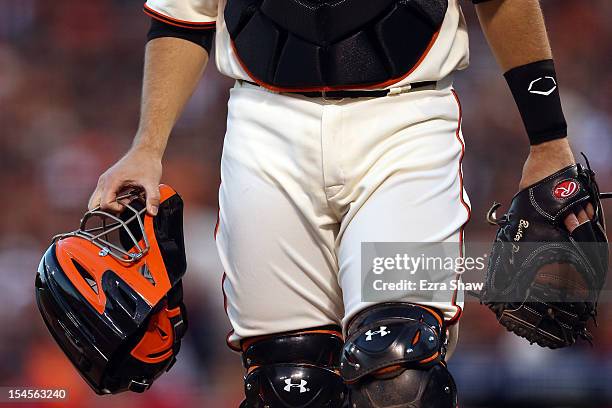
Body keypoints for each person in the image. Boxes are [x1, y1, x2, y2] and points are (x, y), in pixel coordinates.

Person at [88, 0, 593, 406]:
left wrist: (548, 138)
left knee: (399, 365)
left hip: (405, 125)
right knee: (287, 383)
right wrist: (146, 148)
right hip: (264, 130)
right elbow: (186, 15)